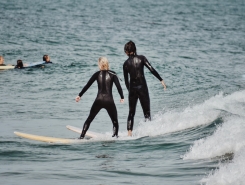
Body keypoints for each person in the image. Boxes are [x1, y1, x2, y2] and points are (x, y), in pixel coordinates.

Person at [123, 40, 167, 136]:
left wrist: (129, 91)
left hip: (132, 89)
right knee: (147, 112)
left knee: (131, 113)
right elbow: (151, 69)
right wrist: (161, 80)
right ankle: (148, 133)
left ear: (126, 52)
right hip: (143, 88)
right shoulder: (142, 58)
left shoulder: (125, 63)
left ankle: (129, 134)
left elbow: (126, 81)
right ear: (135, 49)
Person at [75, 57, 124, 139]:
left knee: (89, 119)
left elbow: (87, 85)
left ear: (100, 64)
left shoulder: (97, 74)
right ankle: (115, 137)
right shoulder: (113, 74)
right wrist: (122, 96)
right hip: (109, 101)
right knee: (115, 121)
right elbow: (119, 87)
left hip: (99, 100)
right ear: (107, 64)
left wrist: (79, 95)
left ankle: (81, 137)